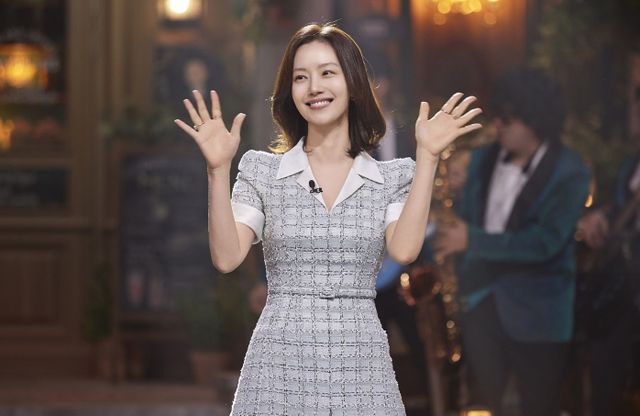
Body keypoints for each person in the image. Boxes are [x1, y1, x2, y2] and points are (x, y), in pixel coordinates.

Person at [174, 23, 481, 415]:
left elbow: (404, 250)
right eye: (301, 77)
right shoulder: (263, 171)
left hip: (360, 361)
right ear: (290, 92)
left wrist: (428, 157)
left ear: (353, 84)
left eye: (327, 73)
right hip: (278, 362)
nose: (313, 87)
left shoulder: (391, 178)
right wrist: (218, 170)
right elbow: (227, 256)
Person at [435, 67, 590, 416]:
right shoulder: (481, 159)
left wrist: (471, 240)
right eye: (497, 116)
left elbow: (545, 243)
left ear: (534, 121)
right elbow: (465, 219)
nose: (497, 126)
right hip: (481, 303)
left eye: (507, 119)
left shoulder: (570, 171)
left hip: (539, 315)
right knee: (482, 406)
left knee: (539, 406)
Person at [577, 150, 640, 416]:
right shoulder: (631, 163)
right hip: (620, 288)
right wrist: (600, 218)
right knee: (606, 371)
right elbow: (618, 207)